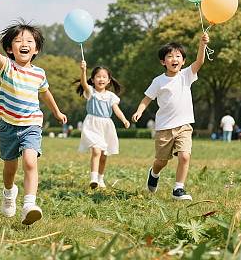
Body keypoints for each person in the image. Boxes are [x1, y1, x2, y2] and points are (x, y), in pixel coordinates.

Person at [0, 19, 67, 226]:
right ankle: (8, 192)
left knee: (30, 162)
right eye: (18, 40)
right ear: (10, 49)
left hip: (31, 124)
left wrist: (56, 111)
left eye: (29, 41)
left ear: (36, 49)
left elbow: (45, 93)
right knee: (10, 167)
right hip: (7, 126)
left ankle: (29, 204)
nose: (24, 44)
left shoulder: (39, 73)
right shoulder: (7, 67)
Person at [132, 32, 210, 201]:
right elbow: (147, 99)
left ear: (183, 61)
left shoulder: (186, 75)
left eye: (178, 56)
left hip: (184, 125)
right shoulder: (158, 81)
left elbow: (200, 62)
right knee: (161, 161)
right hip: (164, 128)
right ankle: (154, 173)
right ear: (163, 61)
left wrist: (202, 45)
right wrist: (139, 110)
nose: (174, 59)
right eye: (170, 56)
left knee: (185, 155)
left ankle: (178, 189)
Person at [77, 61, 130, 189]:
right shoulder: (90, 92)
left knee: (104, 156)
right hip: (92, 124)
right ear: (93, 79)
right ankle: (93, 178)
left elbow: (116, 109)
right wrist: (83, 70)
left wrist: (124, 120)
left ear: (109, 80)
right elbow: (84, 83)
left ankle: (100, 179)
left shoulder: (111, 96)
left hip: (106, 126)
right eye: (98, 76)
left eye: (104, 77)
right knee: (96, 150)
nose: (101, 79)